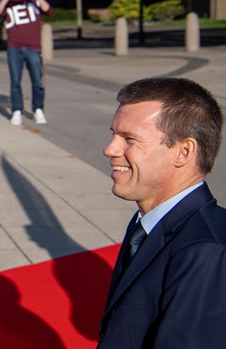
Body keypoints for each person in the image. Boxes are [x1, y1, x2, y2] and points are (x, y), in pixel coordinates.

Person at [98, 77, 225, 347]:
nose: (110, 149)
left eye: (129, 139)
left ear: (184, 151)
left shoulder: (205, 250)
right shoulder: (148, 222)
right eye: (113, 134)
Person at [0, 0, 51, 125]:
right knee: (15, 81)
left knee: (37, 81)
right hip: (14, 47)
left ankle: (38, 109)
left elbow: (48, 10)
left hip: (33, 48)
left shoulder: (35, 1)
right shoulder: (11, 2)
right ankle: (17, 110)